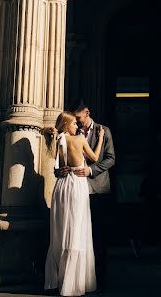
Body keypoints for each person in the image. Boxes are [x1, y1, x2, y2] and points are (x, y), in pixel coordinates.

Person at [55, 101, 115, 289]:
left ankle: (96, 279)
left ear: (86, 112)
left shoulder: (103, 130)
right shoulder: (72, 135)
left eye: (78, 118)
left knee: (96, 236)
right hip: (75, 190)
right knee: (75, 234)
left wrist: (90, 170)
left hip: (96, 189)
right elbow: (57, 163)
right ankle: (75, 278)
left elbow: (110, 158)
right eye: (74, 120)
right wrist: (59, 171)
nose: (77, 122)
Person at [44, 111, 105, 296]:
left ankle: (56, 280)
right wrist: (100, 138)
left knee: (61, 229)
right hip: (77, 184)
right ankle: (73, 282)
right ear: (66, 125)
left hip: (62, 186)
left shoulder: (58, 140)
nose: (76, 126)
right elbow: (94, 158)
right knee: (77, 228)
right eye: (73, 124)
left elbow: (57, 168)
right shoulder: (78, 139)